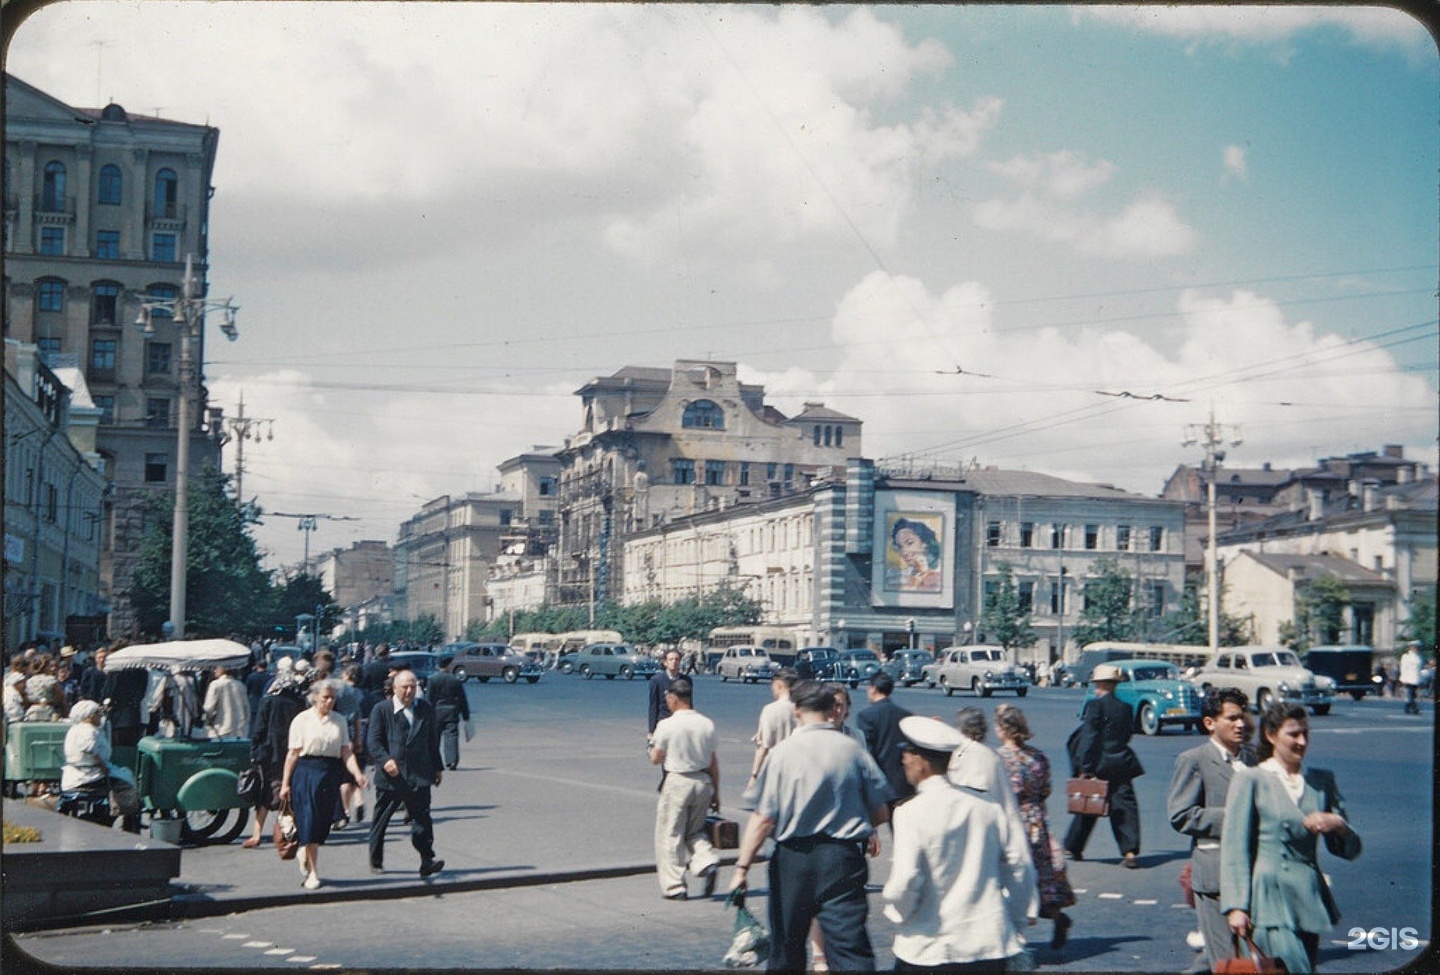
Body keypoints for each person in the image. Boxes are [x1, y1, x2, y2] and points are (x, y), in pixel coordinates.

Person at [728, 680, 893, 972]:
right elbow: (881, 811)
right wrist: (852, 819)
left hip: (793, 859)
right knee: (850, 948)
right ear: (832, 710)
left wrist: (741, 869)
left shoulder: (782, 753)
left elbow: (763, 818)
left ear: (796, 711)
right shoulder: (853, 750)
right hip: (843, 859)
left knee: (787, 946)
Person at [882, 715, 1037, 973]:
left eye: (907, 755)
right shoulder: (987, 807)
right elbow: (1019, 866)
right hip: (986, 945)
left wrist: (900, 914)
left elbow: (905, 881)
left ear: (920, 762)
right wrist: (1014, 919)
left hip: (929, 944)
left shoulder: (910, 812)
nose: (904, 761)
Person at [1221, 704, 1362, 973]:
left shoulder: (1321, 781)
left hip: (1308, 897)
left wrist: (1340, 826)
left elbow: (1348, 850)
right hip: (1269, 899)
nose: (1302, 742)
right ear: (1271, 735)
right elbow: (1235, 847)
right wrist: (1236, 906)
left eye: (1306, 733)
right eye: (1294, 734)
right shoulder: (1252, 779)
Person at [1167, 687, 1256, 971]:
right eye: (1231, 718)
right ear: (1210, 723)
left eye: (1241, 717)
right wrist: (1234, 817)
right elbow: (1181, 815)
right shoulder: (1194, 760)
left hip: (1254, 873)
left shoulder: (1253, 759)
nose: (1240, 724)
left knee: (1237, 954)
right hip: (1216, 874)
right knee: (1226, 957)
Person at [993, 703, 1076, 950]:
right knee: (1041, 875)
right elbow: (1046, 790)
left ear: (1004, 730)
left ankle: (1013, 937)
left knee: (1009, 876)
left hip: (1011, 820)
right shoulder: (1039, 757)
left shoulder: (998, 759)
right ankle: (1056, 915)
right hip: (1036, 820)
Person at [279, 680, 369, 890]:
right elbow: (292, 754)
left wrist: (357, 774)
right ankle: (313, 873)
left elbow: (346, 751)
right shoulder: (301, 720)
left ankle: (305, 848)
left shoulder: (338, 721)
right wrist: (285, 784)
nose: (329, 702)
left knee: (321, 824)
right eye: (325, 698)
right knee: (309, 819)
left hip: (330, 773)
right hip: (306, 771)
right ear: (315, 698)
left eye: (332, 698)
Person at [366, 668, 445, 878]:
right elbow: (373, 741)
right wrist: (385, 760)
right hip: (392, 778)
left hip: (419, 775)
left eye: (413, 687)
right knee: (381, 820)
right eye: (404, 687)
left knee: (422, 820)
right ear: (394, 689)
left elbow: (432, 741)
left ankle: (427, 859)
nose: (409, 691)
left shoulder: (425, 708)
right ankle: (376, 859)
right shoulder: (382, 710)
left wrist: (437, 767)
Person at [1063, 663, 1144, 867]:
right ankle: (1130, 851)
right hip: (1121, 762)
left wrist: (1085, 767)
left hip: (1099, 762)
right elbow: (1127, 734)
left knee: (1089, 803)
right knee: (1125, 806)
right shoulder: (1125, 708)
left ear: (1099, 683)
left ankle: (1074, 846)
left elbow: (1090, 737)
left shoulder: (1095, 705)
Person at [648, 677, 721, 900]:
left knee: (670, 834)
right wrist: (716, 792)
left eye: (668, 699)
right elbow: (713, 762)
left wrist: (651, 749)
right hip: (702, 782)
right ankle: (707, 861)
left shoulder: (667, 725)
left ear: (674, 699)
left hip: (678, 781)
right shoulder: (706, 723)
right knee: (695, 830)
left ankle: (675, 886)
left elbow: (656, 759)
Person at [243, 664, 309, 849]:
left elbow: (258, 730)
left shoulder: (268, 701)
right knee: (289, 792)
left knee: (264, 794)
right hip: (292, 751)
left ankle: (256, 834)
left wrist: (254, 752)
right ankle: (288, 831)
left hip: (269, 753)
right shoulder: (298, 703)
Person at [60, 700, 140, 831]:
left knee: (122, 776)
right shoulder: (88, 731)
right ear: (89, 716)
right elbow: (89, 749)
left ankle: (112, 815)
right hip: (89, 775)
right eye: (98, 714)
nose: (100, 717)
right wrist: (103, 767)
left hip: (74, 774)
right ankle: (122, 819)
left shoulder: (74, 729)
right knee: (127, 784)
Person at [856, 672, 914, 813]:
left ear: (873, 689)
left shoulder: (866, 716)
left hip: (880, 782)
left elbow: (867, 751)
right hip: (904, 783)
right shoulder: (906, 715)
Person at [747, 668, 798, 786]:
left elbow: (764, 746)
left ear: (779, 685)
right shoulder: (803, 710)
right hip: (796, 770)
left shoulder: (770, 710)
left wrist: (754, 775)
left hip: (775, 771)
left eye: (773, 686)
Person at [425, 655, 470, 771]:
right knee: (452, 736)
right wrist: (466, 715)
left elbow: (428, 699)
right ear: (448, 665)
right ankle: (452, 761)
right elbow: (462, 698)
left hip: (436, 712)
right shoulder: (455, 680)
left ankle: (433, 760)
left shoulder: (432, 680)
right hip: (452, 712)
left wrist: (426, 714)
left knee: (434, 738)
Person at [888, 517, 943, 593]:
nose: (904, 552)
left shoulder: (943, 572)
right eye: (900, 547)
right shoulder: (895, 576)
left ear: (924, 542)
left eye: (910, 543)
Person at [202, 664, 249, 738]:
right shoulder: (241, 685)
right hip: (239, 730)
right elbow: (246, 709)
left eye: (216, 668)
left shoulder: (215, 685)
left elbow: (209, 708)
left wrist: (207, 722)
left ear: (223, 669)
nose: (214, 670)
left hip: (219, 729)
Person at [647, 649, 685, 736]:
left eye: (677, 659)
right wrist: (651, 730)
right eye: (671, 659)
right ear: (665, 662)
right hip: (663, 722)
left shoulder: (686, 680)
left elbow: (689, 704)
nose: (674, 662)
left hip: (681, 723)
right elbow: (653, 706)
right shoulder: (656, 680)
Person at [1398, 642, 1424, 714]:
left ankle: (1406, 708)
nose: (1416, 649)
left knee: (1412, 694)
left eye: (1417, 647)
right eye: (1414, 647)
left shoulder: (1419, 657)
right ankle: (1414, 709)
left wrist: (1421, 679)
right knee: (1410, 694)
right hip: (1408, 678)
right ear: (1410, 648)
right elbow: (1403, 668)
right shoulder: (1406, 656)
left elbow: (1419, 669)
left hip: (1416, 679)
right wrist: (1403, 678)